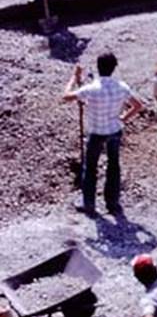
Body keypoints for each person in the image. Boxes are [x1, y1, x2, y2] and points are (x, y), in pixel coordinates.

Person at [63, 52, 143, 217]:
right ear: (114, 68)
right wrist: (123, 119)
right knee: (114, 166)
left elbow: (66, 96)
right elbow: (137, 106)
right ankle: (112, 203)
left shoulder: (91, 89)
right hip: (114, 130)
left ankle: (89, 204)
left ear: (98, 67)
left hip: (96, 132)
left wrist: (74, 77)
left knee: (90, 167)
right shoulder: (122, 87)